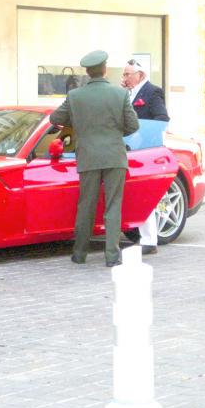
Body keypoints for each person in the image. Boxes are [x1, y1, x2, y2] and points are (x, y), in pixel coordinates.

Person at [50, 50, 139, 267]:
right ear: (105, 69)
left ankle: (79, 254)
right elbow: (133, 125)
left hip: (88, 156)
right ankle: (111, 256)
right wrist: (114, 134)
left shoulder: (75, 96)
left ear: (88, 72)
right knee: (113, 205)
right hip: (114, 156)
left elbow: (55, 118)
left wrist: (78, 123)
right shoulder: (119, 95)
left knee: (86, 205)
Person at [121, 58, 170, 255]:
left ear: (140, 75)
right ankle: (145, 235)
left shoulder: (152, 91)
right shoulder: (127, 93)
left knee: (148, 193)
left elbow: (161, 118)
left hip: (146, 149)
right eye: (123, 74)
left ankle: (152, 237)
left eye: (127, 74)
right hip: (131, 149)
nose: (124, 78)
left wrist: (142, 134)